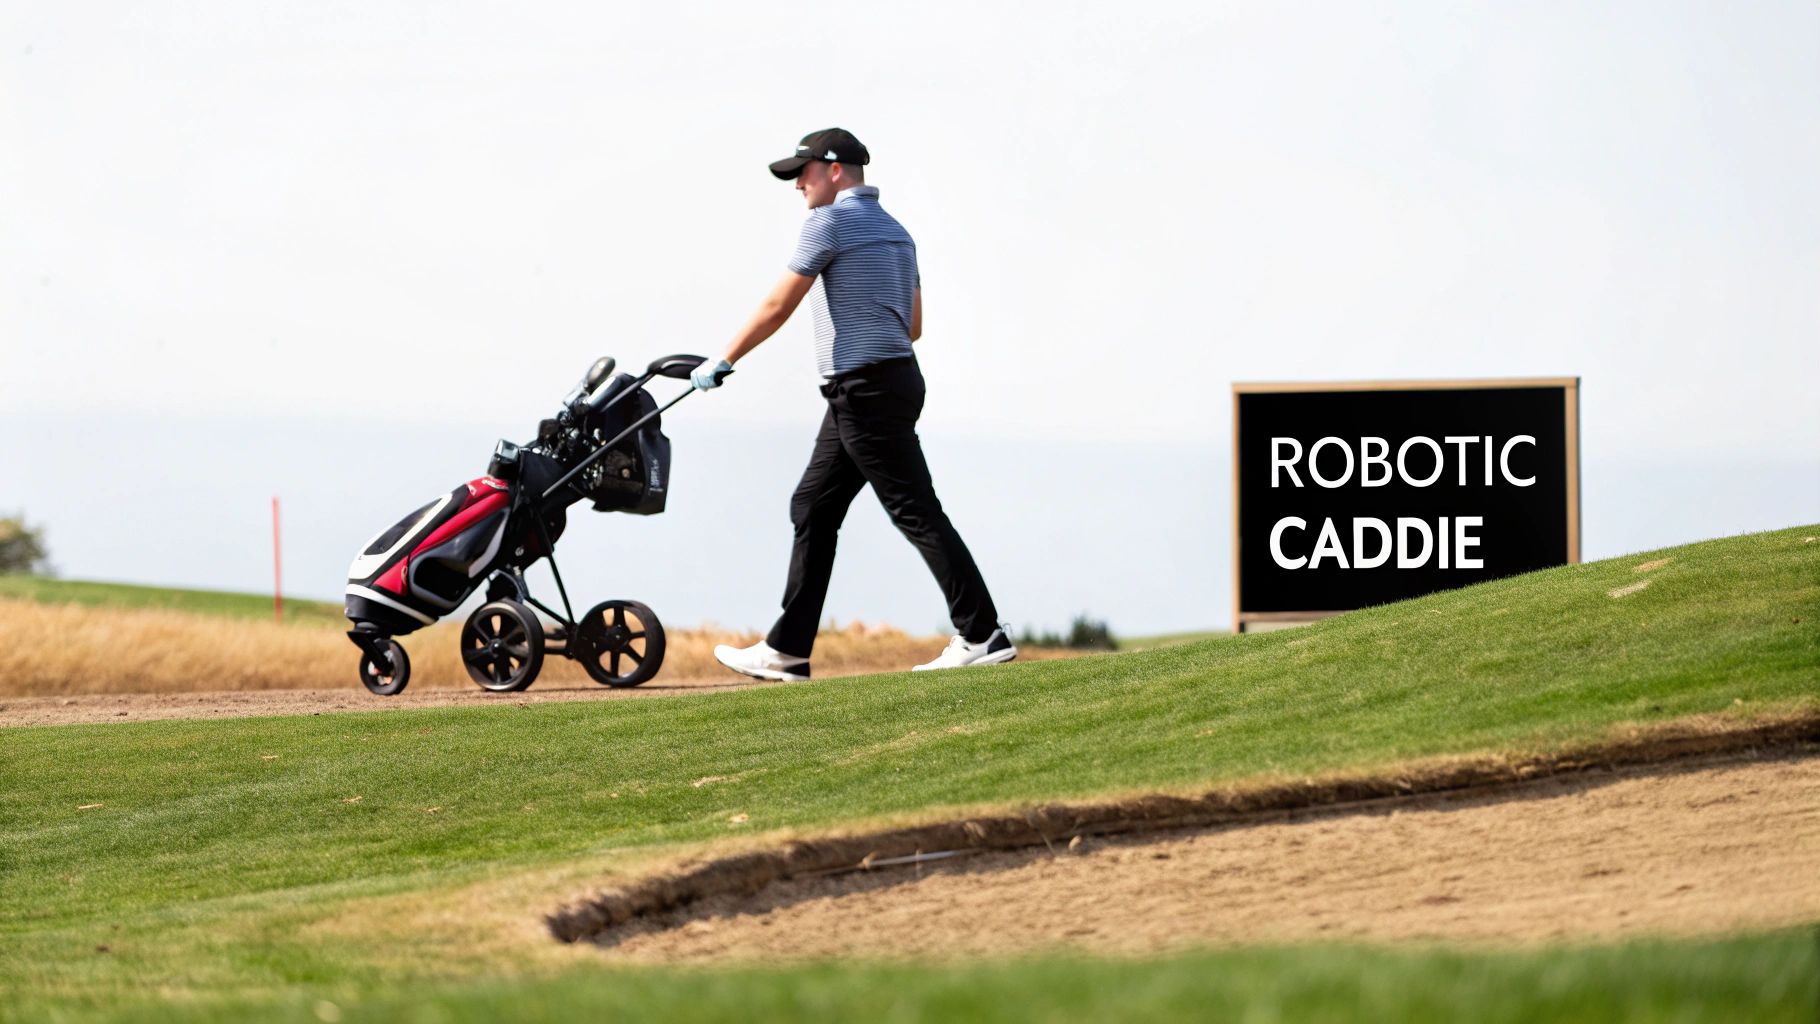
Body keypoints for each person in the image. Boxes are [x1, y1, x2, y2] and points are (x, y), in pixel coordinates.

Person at [690, 127, 1016, 681]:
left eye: (803, 173)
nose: (798, 186)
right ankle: (787, 650)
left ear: (834, 169)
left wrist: (725, 357)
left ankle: (982, 632)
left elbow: (779, 303)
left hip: (862, 390)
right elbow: (912, 327)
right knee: (812, 507)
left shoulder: (829, 221)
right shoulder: (898, 233)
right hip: (887, 383)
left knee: (914, 509)